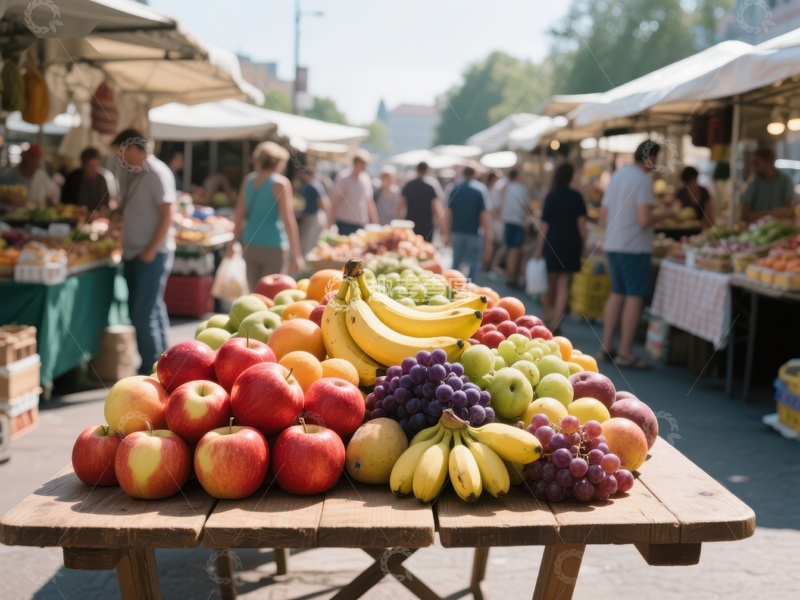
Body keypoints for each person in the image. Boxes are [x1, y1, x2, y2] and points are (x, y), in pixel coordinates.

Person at [111, 130, 177, 375]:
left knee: (143, 312)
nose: (120, 156)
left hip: (151, 254)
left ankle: (150, 367)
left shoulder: (157, 173)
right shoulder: (135, 174)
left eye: (122, 150)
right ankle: (163, 363)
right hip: (135, 253)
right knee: (151, 309)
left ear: (134, 148)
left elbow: (167, 213)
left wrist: (150, 250)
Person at [600, 140, 664, 369]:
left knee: (617, 293)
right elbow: (645, 219)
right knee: (634, 298)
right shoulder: (643, 180)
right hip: (634, 247)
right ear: (651, 158)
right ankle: (625, 352)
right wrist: (666, 213)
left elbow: (603, 215)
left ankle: (606, 346)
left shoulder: (618, 175)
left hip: (613, 244)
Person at [229, 141, 305, 291]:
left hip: (249, 243)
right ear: (278, 162)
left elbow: (238, 214)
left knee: (254, 293)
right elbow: (288, 220)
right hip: (273, 246)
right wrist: (297, 254)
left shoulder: (249, 180)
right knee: (271, 294)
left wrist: (232, 243)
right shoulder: (280, 183)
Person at [534, 163, 587, 334]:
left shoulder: (552, 195)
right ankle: (557, 320)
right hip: (571, 244)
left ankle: (548, 315)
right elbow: (582, 227)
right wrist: (585, 245)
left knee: (548, 281)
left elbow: (544, 225)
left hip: (552, 242)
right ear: (571, 176)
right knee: (564, 283)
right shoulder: (577, 196)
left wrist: (538, 248)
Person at [446, 165, 491, 279]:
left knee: (456, 262)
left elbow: (448, 214)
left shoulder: (455, 189)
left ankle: (453, 288)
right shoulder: (480, 190)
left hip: (456, 231)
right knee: (473, 263)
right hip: (474, 232)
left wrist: (447, 233)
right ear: (475, 174)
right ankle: (470, 288)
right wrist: (487, 238)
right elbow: (484, 216)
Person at [395, 161, 445, 240]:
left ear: (416, 169)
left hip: (410, 225)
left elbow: (398, 207)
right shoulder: (430, 187)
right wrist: (443, 230)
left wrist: (402, 223)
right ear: (427, 170)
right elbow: (437, 209)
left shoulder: (408, 185)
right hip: (426, 226)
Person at [741, 147, 795, 220]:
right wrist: (769, 214)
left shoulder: (785, 180)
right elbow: (744, 214)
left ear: (768, 162)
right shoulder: (754, 183)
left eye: (756, 163)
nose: (753, 166)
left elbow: (790, 211)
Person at [332, 150, 377, 235]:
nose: (366, 166)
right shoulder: (344, 177)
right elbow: (336, 201)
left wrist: (375, 221)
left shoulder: (365, 178)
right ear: (357, 162)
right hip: (344, 222)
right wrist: (330, 221)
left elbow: (369, 201)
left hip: (360, 222)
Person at [61, 147, 117, 213]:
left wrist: (99, 213)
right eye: (90, 167)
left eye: (95, 166)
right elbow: (64, 201)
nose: (92, 170)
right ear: (83, 164)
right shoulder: (73, 177)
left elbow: (104, 204)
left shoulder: (101, 180)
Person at [500, 168, 531, 287]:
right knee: (515, 249)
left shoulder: (506, 187)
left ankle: (510, 275)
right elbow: (526, 205)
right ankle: (512, 277)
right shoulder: (520, 188)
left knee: (510, 249)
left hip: (507, 221)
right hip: (517, 222)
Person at [298, 169, 332, 256]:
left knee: (308, 241)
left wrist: (328, 219)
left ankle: (306, 264)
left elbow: (323, 202)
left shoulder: (313, 185)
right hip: (310, 216)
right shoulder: (314, 184)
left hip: (312, 217)